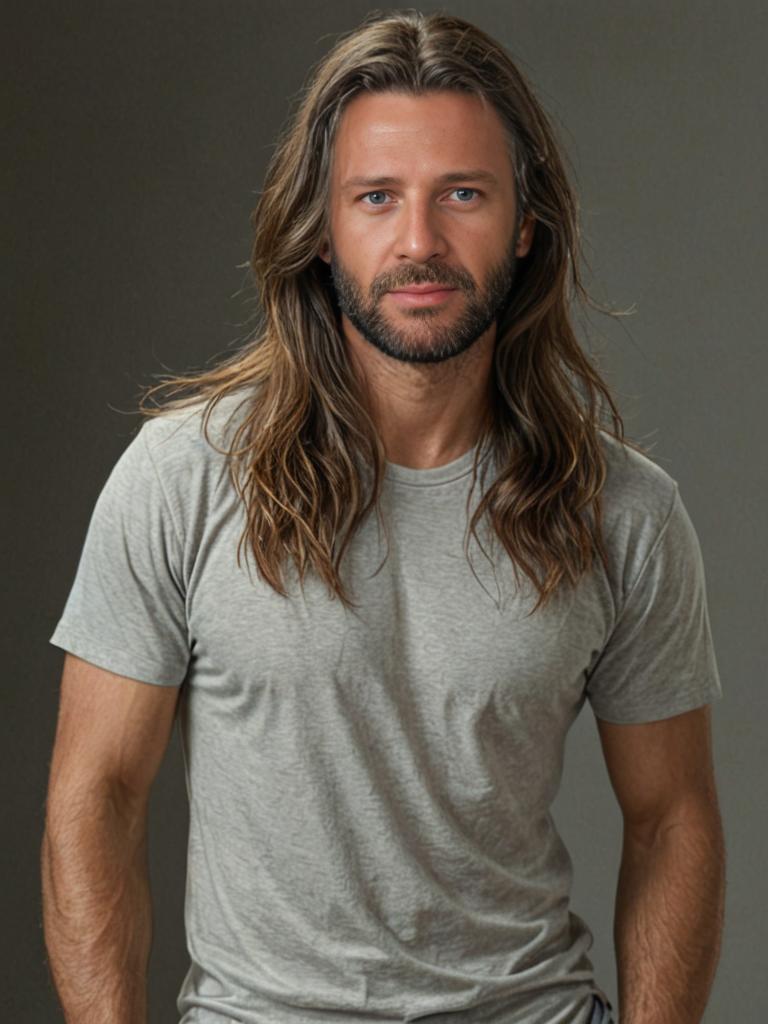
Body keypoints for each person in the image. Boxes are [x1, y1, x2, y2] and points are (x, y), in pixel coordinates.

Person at [41, 10, 725, 1024]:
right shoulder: (180, 476)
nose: (420, 241)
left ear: (525, 224)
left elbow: (672, 819)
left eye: (463, 193)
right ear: (322, 229)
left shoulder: (627, 513)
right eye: (376, 198)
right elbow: (93, 797)